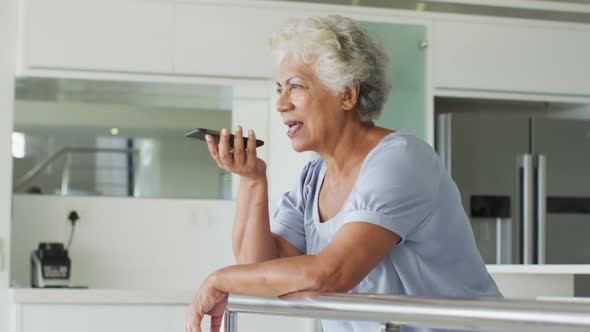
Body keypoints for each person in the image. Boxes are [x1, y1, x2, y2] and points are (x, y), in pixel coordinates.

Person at [184, 15, 501, 332]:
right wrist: (252, 180)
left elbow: (332, 274)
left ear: (347, 94)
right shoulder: (313, 177)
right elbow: (262, 271)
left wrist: (219, 279)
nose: (280, 104)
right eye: (279, 89)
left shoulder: (400, 160)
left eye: (295, 86)